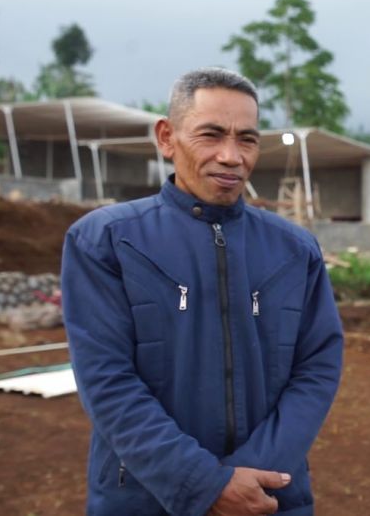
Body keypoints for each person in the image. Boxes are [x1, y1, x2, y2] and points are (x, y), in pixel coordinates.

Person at [62, 67, 343, 516]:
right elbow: (107, 380)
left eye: (247, 139)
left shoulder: (295, 250)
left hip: (268, 498)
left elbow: (317, 367)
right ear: (167, 137)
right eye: (211, 134)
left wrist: (247, 478)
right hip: (146, 498)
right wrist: (204, 485)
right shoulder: (107, 241)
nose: (231, 156)